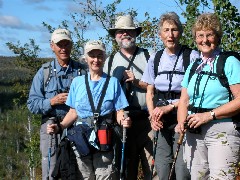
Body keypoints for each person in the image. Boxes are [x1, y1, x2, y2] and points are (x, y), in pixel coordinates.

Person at [47, 40, 132, 179]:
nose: (96, 60)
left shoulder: (113, 83)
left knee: (105, 176)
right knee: (84, 176)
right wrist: (59, 127)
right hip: (81, 139)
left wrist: (124, 121)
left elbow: (119, 111)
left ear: (104, 58)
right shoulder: (77, 82)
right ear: (85, 58)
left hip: (104, 138)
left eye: (99, 56)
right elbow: (73, 112)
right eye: (92, 56)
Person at [176, 13, 240, 179]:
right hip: (193, 132)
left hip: (222, 131)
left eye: (209, 34)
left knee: (221, 177)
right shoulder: (193, 67)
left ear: (217, 37)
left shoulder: (230, 62)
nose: (204, 40)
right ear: (195, 38)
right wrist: (181, 123)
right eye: (200, 35)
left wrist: (209, 115)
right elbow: (184, 100)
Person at [141, 12, 199, 179]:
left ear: (180, 32)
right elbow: (150, 90)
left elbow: (194, 92)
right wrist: (152, 115)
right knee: (162, 166)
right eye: (166, 30)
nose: (170, 35)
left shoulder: (191, 56)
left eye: (174, 30)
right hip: (160, 121)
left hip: (182, 118)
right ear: (160, 35)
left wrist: (171, 106)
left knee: (182, 168)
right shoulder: (156, 58)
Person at [27, 28, 86, 179]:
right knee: (51, 170)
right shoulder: (44, 72)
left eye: (66, 44)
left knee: (79, 169)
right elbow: (32, 104)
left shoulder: (82, 71)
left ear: (71, 46)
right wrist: (52, 101)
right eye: (60, 44)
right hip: (51, 127)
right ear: (52, 46)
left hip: (77, 127)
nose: (63, 48)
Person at [104, 14, 157, 180]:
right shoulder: (109, 61)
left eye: (129, 30)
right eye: (120, 31)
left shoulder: (150, 56)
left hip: (149, 120)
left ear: (135, 33)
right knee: (127, 171)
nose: (125, 34)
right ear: (115, 36)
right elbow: (105, 93)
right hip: (123, 124)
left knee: (154, 170)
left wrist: (136, 82)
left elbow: (159, 87)